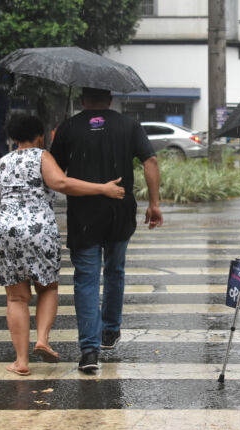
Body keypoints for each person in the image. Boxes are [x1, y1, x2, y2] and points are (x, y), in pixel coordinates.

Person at [0, 115, 125, 376]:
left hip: (6, 230)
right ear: (40, 136)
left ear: (14, 137)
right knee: (47, 288)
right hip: (39, 230)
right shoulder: (42, 156)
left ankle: (21, 361)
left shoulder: (3, 161)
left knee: (16, 297)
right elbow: (61, 183)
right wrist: (103, 189)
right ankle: (42, 339)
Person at [51, 87, 163, 373]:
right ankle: (110, 330)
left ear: (82, 99)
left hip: (84, 214)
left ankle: (89, 351)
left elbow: (55, 174)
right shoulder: (129, 125)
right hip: (120, 210)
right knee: (115, 270)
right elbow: (150, 161)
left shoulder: (69, 127)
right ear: (110, 99)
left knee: (86, 279)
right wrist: (154, 204)